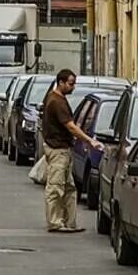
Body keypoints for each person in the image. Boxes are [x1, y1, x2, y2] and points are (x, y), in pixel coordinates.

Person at [38, 69, 100, 234]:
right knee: (56, 187)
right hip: (58, 149)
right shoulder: (57, 102)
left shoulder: (55, 98)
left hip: (62, 148)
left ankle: (69, 222)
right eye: (71, 83)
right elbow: (70, 126)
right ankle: (55, 222)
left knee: (70, 188)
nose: (73, 87)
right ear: (61, 83)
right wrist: (89, 140)